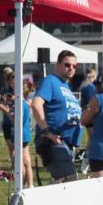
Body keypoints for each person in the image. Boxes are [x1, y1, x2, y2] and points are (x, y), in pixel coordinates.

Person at [31, 50, 83, 183]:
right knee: (68, 182)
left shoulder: (66, 86)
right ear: (57, 65)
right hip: (53, 141)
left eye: (74, 66)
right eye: (67, 65)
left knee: (62, 184)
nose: (71, 68)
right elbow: (36, 104)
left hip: (65, 143)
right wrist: (47, 132)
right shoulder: (51, 81)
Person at [0, 79, 35, 187]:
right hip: (21, 134)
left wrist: (6, 111)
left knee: (23, 162)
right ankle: (27, 184)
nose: (12, 93)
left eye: (14, 90)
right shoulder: (21, 104)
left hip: (22, 135)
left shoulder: (22, 105)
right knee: (25, 162)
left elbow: (16, 122)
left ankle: (26, 185)